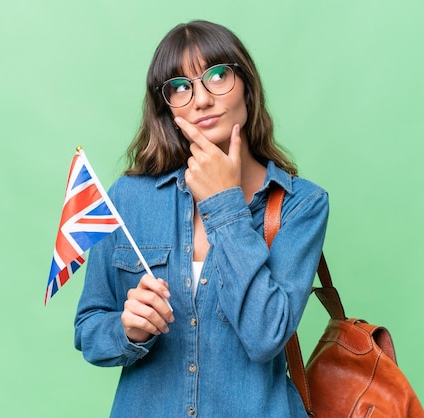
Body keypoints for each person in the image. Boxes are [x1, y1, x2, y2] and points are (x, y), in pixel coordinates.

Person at [74, 20, 329, 417]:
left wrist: (224, 202)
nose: (201, 99)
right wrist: (127, 330)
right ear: (167, 107)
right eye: (180, 86)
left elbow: (266, 336)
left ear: (246, 85)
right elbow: (89, 329)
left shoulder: (301, 204)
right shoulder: (129, 197)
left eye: (217, 75)